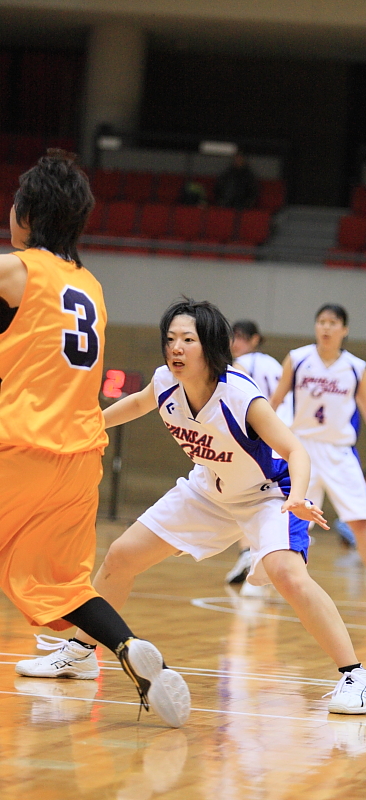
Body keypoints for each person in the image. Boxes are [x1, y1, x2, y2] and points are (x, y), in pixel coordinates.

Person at [18, 298, 366, 716]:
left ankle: (357, 677)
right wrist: (87, 427)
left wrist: (298, 496)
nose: (175, 348)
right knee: (120, 557)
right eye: (170, 339)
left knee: (288, 575)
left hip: (268, 493)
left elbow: (294, 449)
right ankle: (82, 652)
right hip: (208, 490)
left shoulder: (240, 394)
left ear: (208, 345)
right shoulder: (164, 382)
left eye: (187, 340)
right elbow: (139, 402)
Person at [1, 150, 190, 728]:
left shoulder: (15, 268)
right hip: (80, 457)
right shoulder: (92, 286)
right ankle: (128, 647)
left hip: (21, 444)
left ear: (28, 214)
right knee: (62, 582)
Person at [270, 303, 366, 613]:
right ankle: (271, 576)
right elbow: (274, 401)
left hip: (339, 452)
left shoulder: (355, 367)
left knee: (361, 520)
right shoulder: (298, 359)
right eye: (321, 322)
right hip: (301, 448)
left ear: (344, 330)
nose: (326, 327)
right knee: (288, 516)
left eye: (332, 322)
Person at [225, 319, 292, 585]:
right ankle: (263, 556)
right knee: (265, 501)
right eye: (234, 336)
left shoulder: (241, 365)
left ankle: (251, 553)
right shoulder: (275, 364)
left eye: (241, 337)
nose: (236, 342)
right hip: (284, 438)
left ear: (255, 339)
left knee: (244, 495)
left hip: (259, 437)